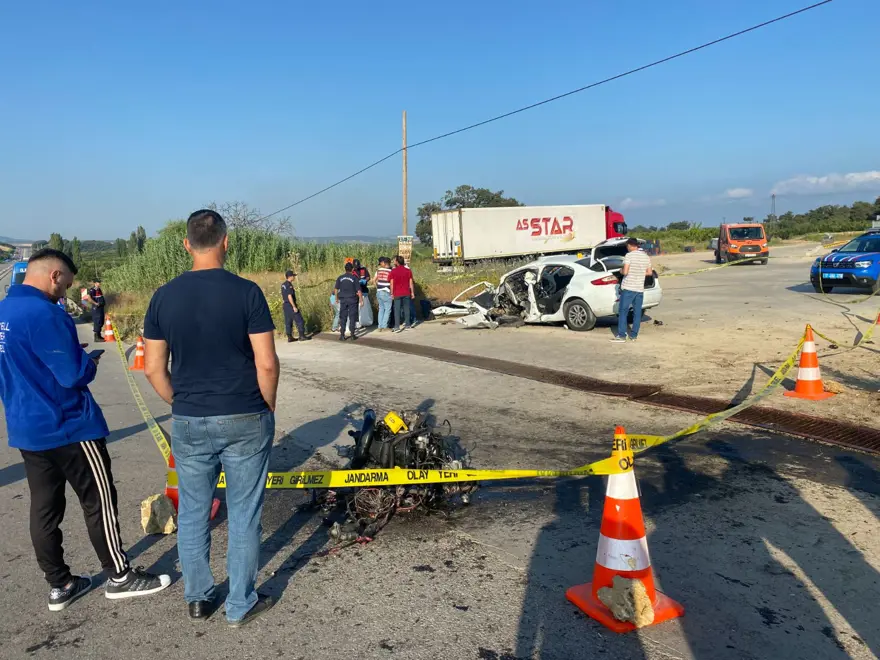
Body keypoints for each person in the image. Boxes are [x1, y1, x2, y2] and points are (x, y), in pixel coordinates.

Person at [0, 248, 171, 612]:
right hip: (70, 425)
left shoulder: (3, 313)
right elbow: (72, 374)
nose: (66, 292)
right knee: (99, 501)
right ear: (54, 276)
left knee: (44, 509)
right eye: (66, 284)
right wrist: (87, 362)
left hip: (26, 428)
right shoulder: (46, 313)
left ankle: (60, 584)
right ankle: (121, 577)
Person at [143, 209, 279, 627]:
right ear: (226, 242)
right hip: (245, 415)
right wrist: (267, 408)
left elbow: (152, 367)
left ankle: (199, 598)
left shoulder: (164, 297)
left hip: (189, 418)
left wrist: (178, 402)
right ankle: (240, 604)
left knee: (194, 511)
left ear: (187, 245)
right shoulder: (248, 293)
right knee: (243, 513)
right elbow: (267, 363)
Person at [611, 238, 653, 343]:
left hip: (629, 288)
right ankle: (634, 335)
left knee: (623, 311)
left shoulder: (629, 256)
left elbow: (625, 272)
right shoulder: (646, 257)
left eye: (627, 246)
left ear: (630, 245)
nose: (627, 248)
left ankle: (621, 335)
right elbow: (649, 273)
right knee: (637, 312)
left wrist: (620, 271)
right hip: (639, 289)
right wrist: (639, 273)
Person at [333, 262, 362, 341]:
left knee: (343, 317)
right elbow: (359, 290)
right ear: (352, 269)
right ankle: (352, 335)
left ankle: (342, 335)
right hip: (352, 299)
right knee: (352, 317)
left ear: (345, 269)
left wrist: (336, 298)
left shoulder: (340, 278)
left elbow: (336, 289)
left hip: (343, 300)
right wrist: (361, 300)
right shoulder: (354, 278)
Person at [280, 270, 309, 343]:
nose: (294, 277)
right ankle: (302, 336)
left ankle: (289, 337)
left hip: (285, 305)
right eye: (293, 276)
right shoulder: (289, 285)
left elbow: (284, 295)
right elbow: (289, 296)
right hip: (290, 305)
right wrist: (294, 306)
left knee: (288, 321)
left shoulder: (283, 285)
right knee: (299, 320)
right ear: (290, 277)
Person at [389, 255, 414, 333]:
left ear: (397, 262)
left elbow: (392, 283)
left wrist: (391, 293)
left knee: (397, 310)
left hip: (397, 293)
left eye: (394, 261)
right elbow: (411, 283)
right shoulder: (408, 271)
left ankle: (397, 327)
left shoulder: (393, 271)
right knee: (407, 309)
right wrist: (412, 292)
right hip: (406, 292)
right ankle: (407, 325)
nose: (393, 262)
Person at [372, 257, 393, 331]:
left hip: (379, 292)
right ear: (388, 263)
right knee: (387, 310)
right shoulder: (390, 271)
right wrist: (392, 293)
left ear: (384, 263)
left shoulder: (378, 270)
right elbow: (391, 283)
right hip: (386, 291)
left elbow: (373, 280)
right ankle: (384, 326)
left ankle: (379, 326)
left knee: (381, 309)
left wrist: (377, 287)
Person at [352, 259, 373, 328]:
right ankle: (357, 322)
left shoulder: (363, 269)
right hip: (356, 292)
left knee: (363, 307)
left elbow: (368, 277)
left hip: (364, 291)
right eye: (355, 267)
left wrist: (365, 280)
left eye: (357, 266)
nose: (356, 268)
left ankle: (364, 321)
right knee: (356, 308)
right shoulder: (352, 272)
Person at [87, 278, 105, 342]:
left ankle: (99, 335)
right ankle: (96, 337)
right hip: (96, 309)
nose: (99, 283)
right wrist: (95, 303)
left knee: (101, 321)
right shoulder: (92, 290)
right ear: (95, 283)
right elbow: (89, 298)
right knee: (97, 321)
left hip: (100, 308)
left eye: (99, 282)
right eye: (98, 282)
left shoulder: (99, 290)